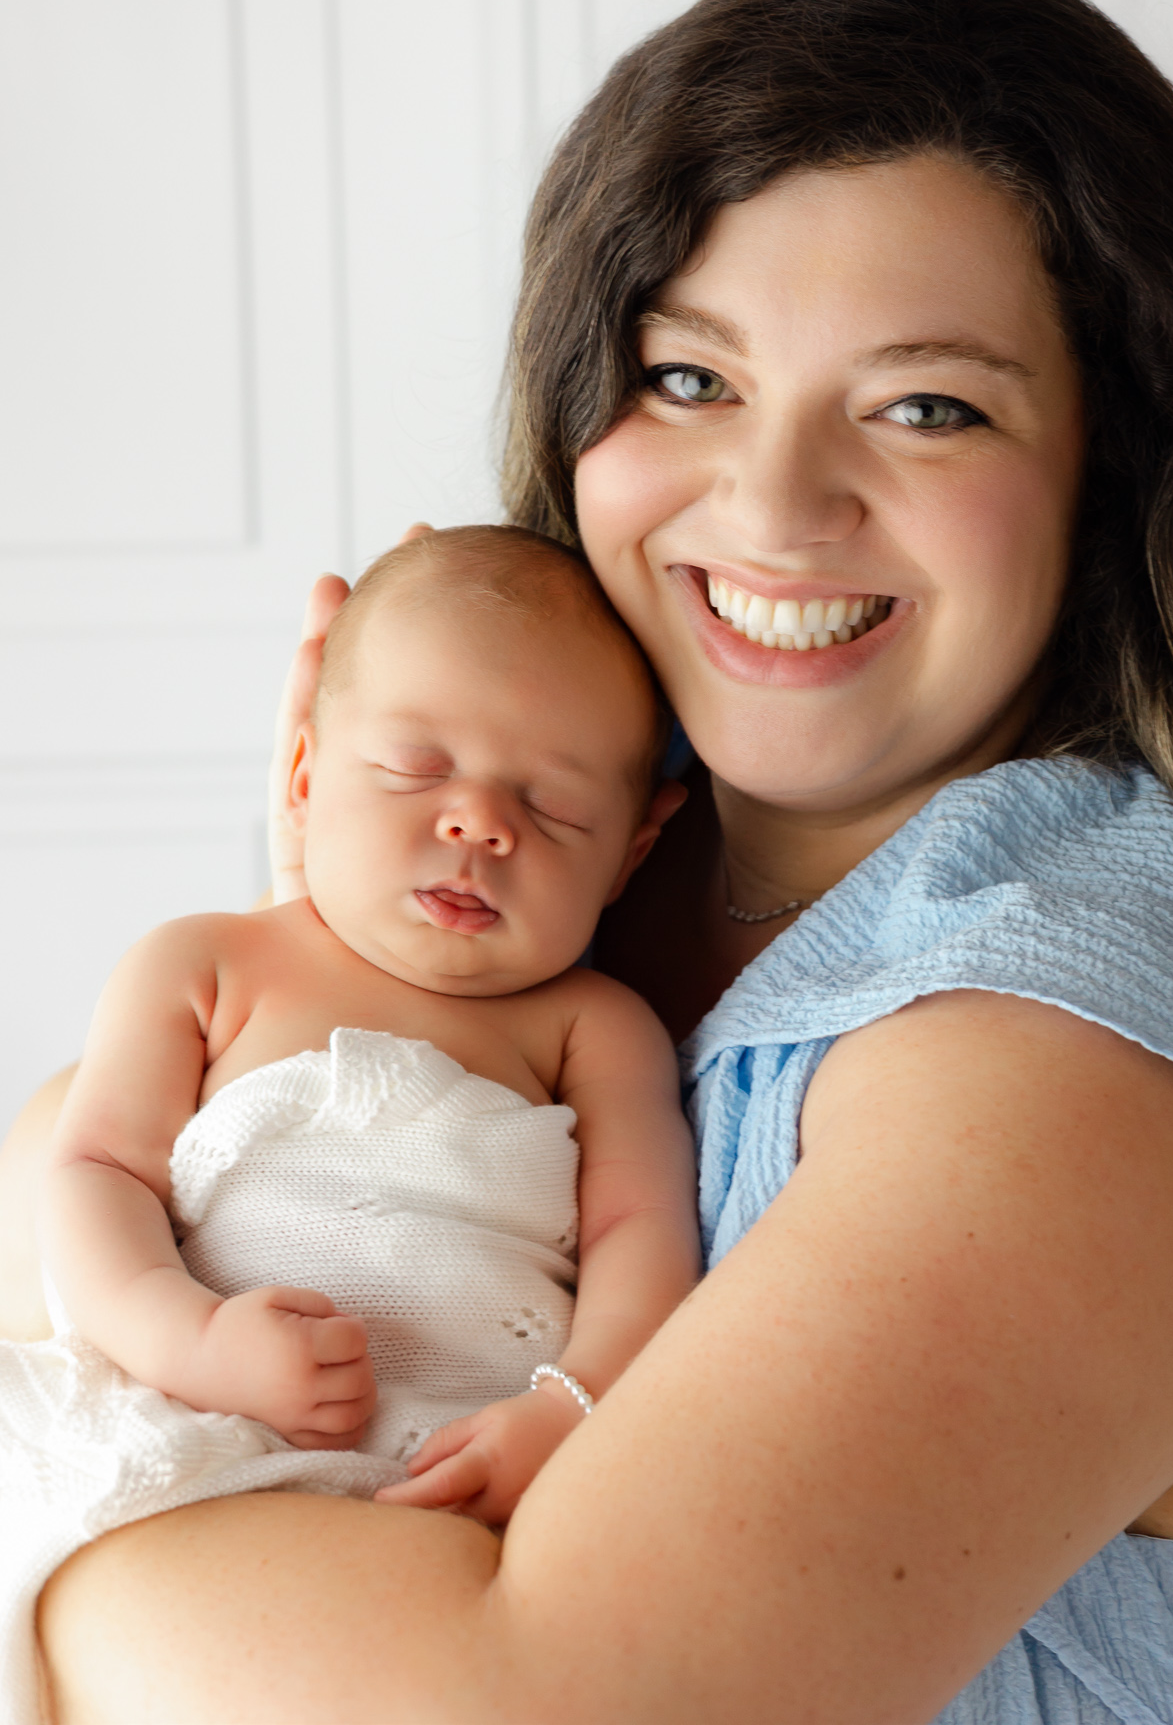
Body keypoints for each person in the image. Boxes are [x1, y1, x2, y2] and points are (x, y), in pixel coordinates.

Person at [7, 0, 1173, 1724]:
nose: (769, 507)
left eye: (928, 404)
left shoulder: (1083, 1051)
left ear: (1120, 472)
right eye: (690, 377)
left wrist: (52, 1547)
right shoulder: (581, 872)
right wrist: (313, 929)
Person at [0, 526, 697, 1722]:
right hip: (190, 1410)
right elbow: (92, 1174)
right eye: (415, 768)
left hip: (455, 1474)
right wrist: (193, 1339)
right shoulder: (209, 963)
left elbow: (644, 1240)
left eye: (551, 802)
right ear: (308, 771)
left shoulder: (593, 1027)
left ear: (634, 848)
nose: (479, 822)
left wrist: (568, 1404)